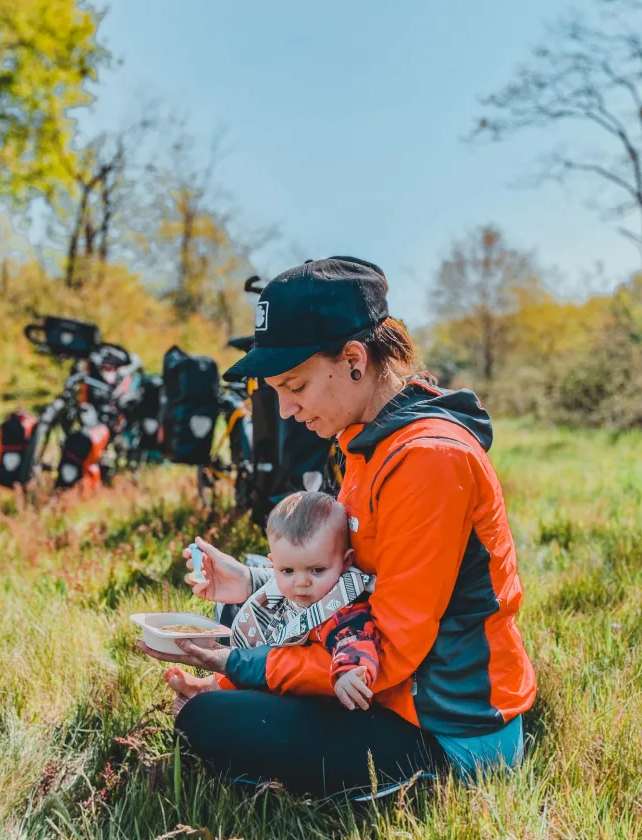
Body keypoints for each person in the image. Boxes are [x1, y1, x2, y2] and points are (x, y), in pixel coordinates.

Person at [138, 255, 537, 798]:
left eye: (294, 385)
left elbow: (388, 654)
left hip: (443, 729)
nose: (283, 410)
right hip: (383, 684)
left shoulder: (428, 461)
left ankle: (401, 782)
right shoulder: (366, 443)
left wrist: (243, 667)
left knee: (207, 721)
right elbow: (360, 580)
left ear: (353, 359)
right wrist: (255, 583)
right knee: (239, 609)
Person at [166, 491, 380, 713]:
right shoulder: (285, 590)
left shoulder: (340, 606)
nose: (301, 583)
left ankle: (211, 694)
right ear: (273, 563)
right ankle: (208, 686)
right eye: (287, 570)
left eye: (317, 570)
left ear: (345, 561)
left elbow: (355, 638)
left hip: (310, 700)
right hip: (275, 672)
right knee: (249, 640)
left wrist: (350, 671)